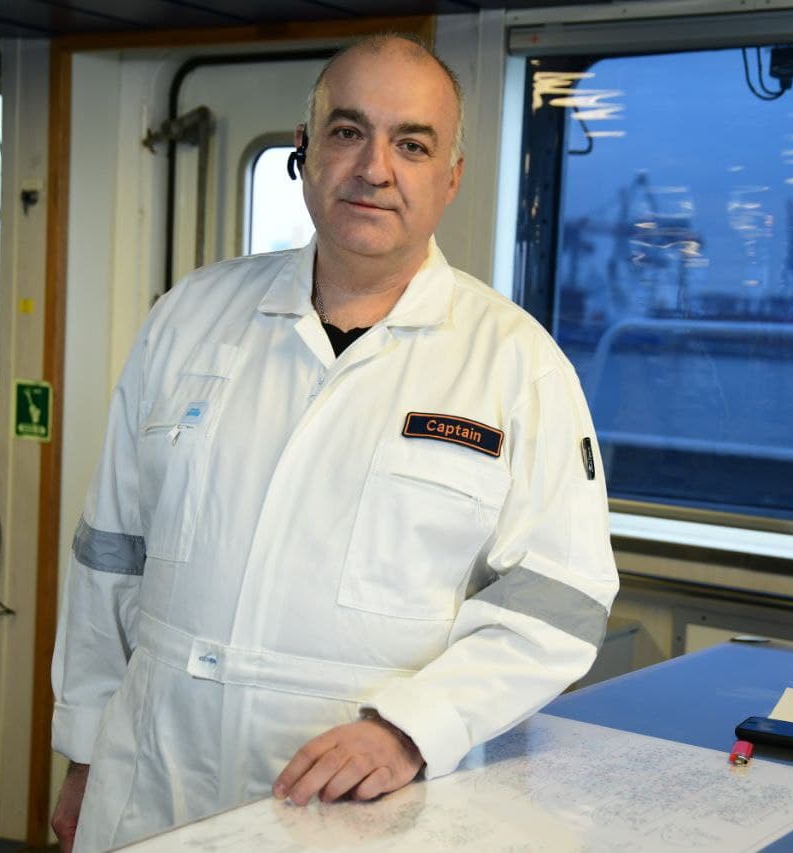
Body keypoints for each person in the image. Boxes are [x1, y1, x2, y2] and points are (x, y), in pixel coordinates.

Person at [50, 33, 618, 852]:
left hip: (359, 812)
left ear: (452, 177)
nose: (374, 168)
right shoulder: (189, 318)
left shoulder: (516, 366)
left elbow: (558, 605)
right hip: (151, 785)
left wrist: (413, 728)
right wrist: (84, 752)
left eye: (412, 144)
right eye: (348, 132)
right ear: (305, 150)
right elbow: (108, 559)